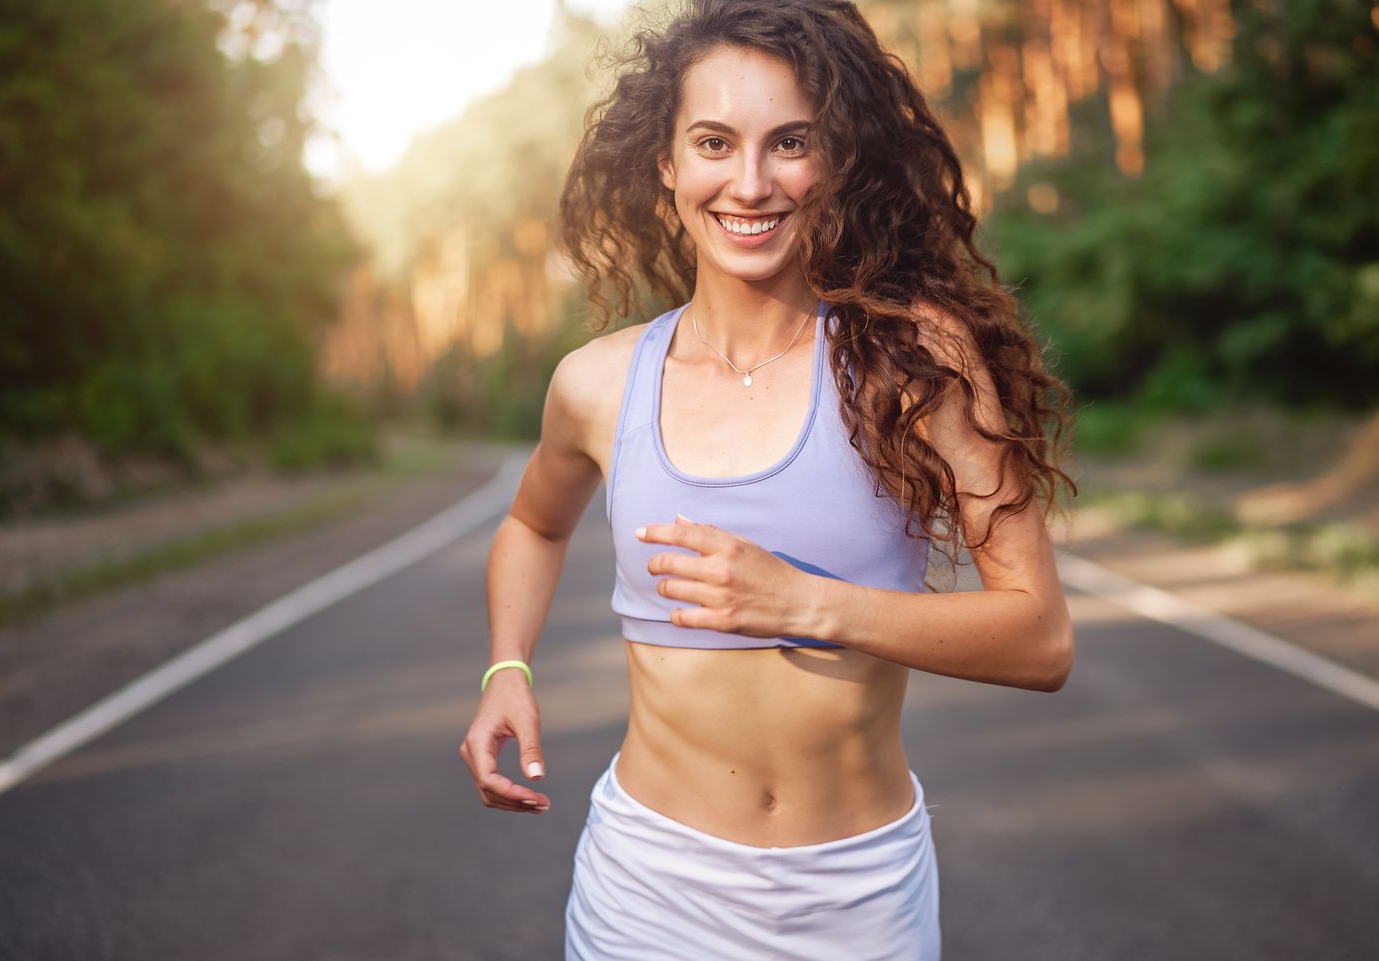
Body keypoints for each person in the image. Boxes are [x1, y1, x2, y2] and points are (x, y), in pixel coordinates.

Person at [458, 1, 1078, 957]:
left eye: (790, 143)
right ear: (668, 165)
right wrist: (507, 665)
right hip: (649, 891)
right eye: (714, 142)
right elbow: (534, 527)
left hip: (861, 894)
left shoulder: (914, 360)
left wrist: (803, 602)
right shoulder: (596, 382)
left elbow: (1040, 639)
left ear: (835, 162)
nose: (749, 183)